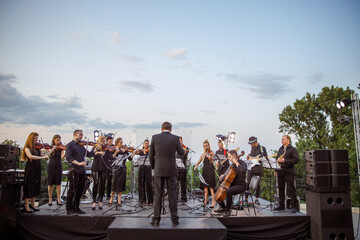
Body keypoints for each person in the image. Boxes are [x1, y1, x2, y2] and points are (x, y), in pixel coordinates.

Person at [149, 121, 185, 226]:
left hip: (159, 169)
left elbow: (151, 155)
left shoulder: (155, 137)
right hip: (171, 170)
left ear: (161, 129)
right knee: (172, 194)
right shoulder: (175, 138)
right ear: (171, 129)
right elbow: (182, 153)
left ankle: (156, 220)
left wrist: (153, 168)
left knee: (158, 195)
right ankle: (175, 219)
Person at [65, 130, 95, 215]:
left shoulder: (81, 146)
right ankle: (69, 209)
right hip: (74, 169)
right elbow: (68, 156)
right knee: (72, 190)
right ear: (75, 135)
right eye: (80, 135)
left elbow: (89, 154)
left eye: (82, 134)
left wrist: (96, 148)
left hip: (82, 170)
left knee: (80, 189)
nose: (82, 136)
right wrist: (78, 163)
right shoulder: (70, 145)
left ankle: (76, 207)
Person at [21, 132, 49, 213]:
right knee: (29, 185)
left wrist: (45, 152)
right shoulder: (27, 147)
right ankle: (26, 204)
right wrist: (42, 157)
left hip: (37, 167)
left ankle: (33, 204)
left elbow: (42, 155)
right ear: (31, 138)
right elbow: (30, 156)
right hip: (31, 168)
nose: (37, 140)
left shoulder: (37, 147)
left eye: (37, 139)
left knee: (36, 185)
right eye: (35, 138)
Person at [215, 150, 247, 216]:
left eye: (229, 156)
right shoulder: (232, 165)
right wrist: (223, 176)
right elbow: (229, 175)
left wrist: (236, 162)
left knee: (229, 191)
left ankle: (228, 210)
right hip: (233, 184)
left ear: (234, 156)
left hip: (241, 185)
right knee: (215, 189)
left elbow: (243, 170)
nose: (228, 158)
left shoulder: (242, 162)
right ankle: (223, 207)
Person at [274, 135, 299, 213]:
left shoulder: (292, 149)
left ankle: (293, 206)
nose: (282, 140)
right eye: (281, 139)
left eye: (283, 139)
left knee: (291, 189)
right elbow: (277, 159)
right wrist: (276, 170)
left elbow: (296, 160)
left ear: (288, 140)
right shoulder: (280, 149)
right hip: (280, 171)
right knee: (280, 188)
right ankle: (281, 205)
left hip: (289, 172)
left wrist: (285, 160)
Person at [245, 136, 268, 205]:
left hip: (258, 168)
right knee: (248, 182)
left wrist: (262, 158)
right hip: (251, 167)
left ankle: (256, 199)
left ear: (255, 142)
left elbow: (265, 157)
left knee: (257, 183)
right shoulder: (252, 148)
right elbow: (252, 157)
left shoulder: (262, 148)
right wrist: (248, 157)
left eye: (252, 144)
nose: (251, 145)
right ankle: (246, 199)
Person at [194, 139, 216, 208]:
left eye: (206, 146)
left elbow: (212, 162)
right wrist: (196, 166)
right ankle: (205, 201)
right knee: (205, 187)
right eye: (204, 146)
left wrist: (210, 158)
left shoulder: (212, 153)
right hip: (205, 171)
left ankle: (213, 201)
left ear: (209, 146)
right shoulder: (203, 154)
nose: (205, 147)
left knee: (211, 187)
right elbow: (199, 161)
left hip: (210, 170)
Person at [108, 137, 130, 207]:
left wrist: (130, 152)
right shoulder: (114, 150)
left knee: (121, 184)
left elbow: (130, 158)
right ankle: (111, 198)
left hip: (123, 168)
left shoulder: (124, 151)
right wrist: (116, 151)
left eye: (122, 143)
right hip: (116, 168)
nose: (122, 144)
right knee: (114, 183)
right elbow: (111, 157)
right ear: (117, 143)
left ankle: (119, 200)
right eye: (120, 143)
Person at [47, 134, 65, 206]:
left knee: (58, 183)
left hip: (58, 166)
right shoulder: (50, 147)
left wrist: (65, 151)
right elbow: (48, 154)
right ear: (54, 140)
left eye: (59, 140)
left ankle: (58, 199)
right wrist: (53, 148)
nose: (58, 141)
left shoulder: (60, 148)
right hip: (51, 166)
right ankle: (50, 199)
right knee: (50, 184)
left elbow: (62, 157)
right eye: (57, 140)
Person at [90, 136, 107, 210]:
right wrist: (98, 150)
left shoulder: (106, 148)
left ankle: (100, 201)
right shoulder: (95, 147)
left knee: (102, 184)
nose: (104, 142)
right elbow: (91, 154)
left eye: (104, 141)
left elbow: (109, 156)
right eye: (102, 141)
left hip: (103, 167)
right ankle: (94, 201)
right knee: (96, 183)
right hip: (96, 166)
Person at [135, 139, 153, 206]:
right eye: (145, 143)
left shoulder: (150, 152)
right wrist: (135, 150)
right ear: (143, 144)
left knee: (149, 184)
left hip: (148, 168)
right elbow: (134, 152)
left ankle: (150, 201)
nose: (146, 144)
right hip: (141, 168)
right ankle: (142, 200)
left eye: (147, 143)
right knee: (141, 184)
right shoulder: (141, 152)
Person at [176, 136, 189, 203]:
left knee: (183, 184)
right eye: (179, 141)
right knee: (176, 184)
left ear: (182, 141)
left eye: (181, 141)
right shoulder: (175, 149)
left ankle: (183, 198)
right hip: (176, 169)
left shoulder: (185, 149)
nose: (180, 142)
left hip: (183, 169)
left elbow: (185, 157)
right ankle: (175, 198)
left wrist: (185, 151)